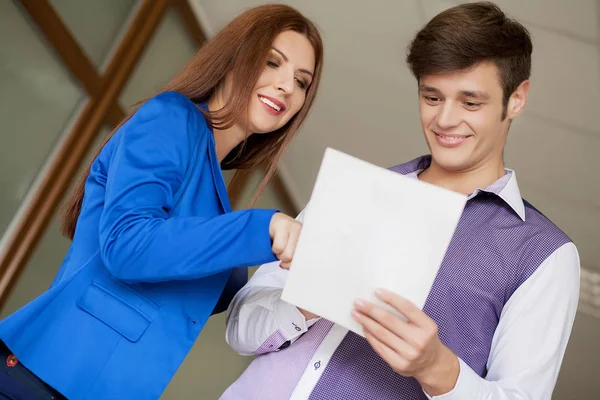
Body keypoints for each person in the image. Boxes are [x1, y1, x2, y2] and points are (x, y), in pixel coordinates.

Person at [221, 2, 580, 399]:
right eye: (432, 97)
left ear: (516, 99)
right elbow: (240, 330)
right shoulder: (354, 191)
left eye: (470, 102)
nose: (444, 120)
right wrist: (307, 302)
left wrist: (438, 370)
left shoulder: (544, 255)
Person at [0, 4, 323, 399]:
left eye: (301, 82)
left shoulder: (215, 192)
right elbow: (128, 246)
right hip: (44, 377)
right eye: (273, 62)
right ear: (235, 56)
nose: (286, 86)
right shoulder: (171, 118)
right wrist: (263, 226)